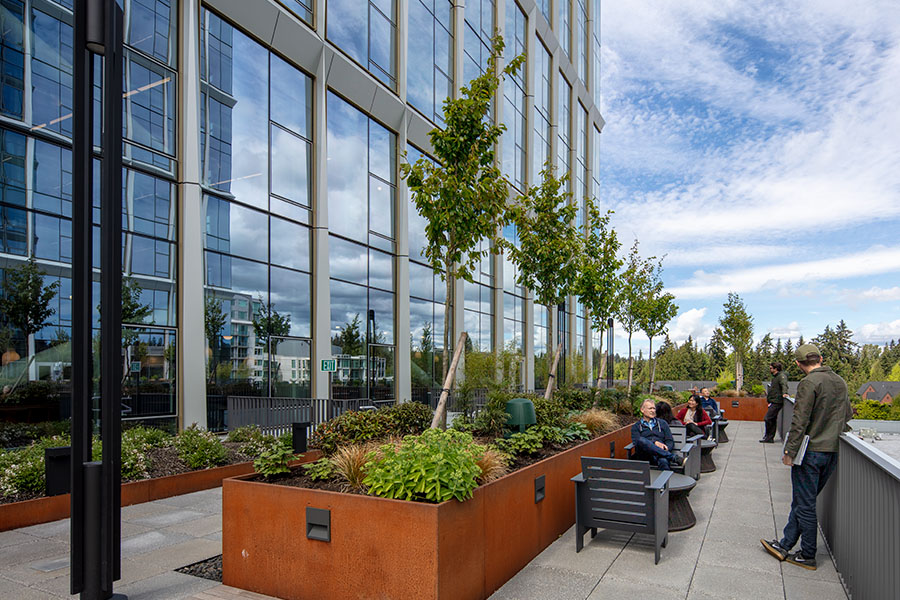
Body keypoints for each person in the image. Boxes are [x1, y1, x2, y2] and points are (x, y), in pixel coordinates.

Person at [761, 344, 853, 571]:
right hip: (832, 451)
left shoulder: (808, 383)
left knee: (805, 505)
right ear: (821, 358)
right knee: (803, 501)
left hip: (810, 452)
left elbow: (799, 421)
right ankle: (784, 545)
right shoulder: (840, 382)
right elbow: (848, 414)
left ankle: (808, 554)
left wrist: (789, 452)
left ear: (798, 364)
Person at [631, 399, 683, 471]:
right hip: (645, 456)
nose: (653, 411)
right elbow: (636, 442)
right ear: (642, 410)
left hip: (660, 454)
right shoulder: (636, 426)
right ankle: (673, 457)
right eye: (650, 408)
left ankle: (666, 482)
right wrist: (654, 443)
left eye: (654, 408)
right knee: (641, 440)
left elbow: (669, 440)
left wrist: (665, 448)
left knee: (663, 461)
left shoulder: (662, 423)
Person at [760, 362, 789, 443]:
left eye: (771, 368)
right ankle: (769, 438)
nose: (770, 370)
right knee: (772, 419)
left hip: (777, 402)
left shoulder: (781, 376)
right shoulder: (775, 377)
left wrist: (785, 393)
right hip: (773, 401)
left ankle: (769, 436)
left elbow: (784, 385)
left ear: (775, 369)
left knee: (768, 418)